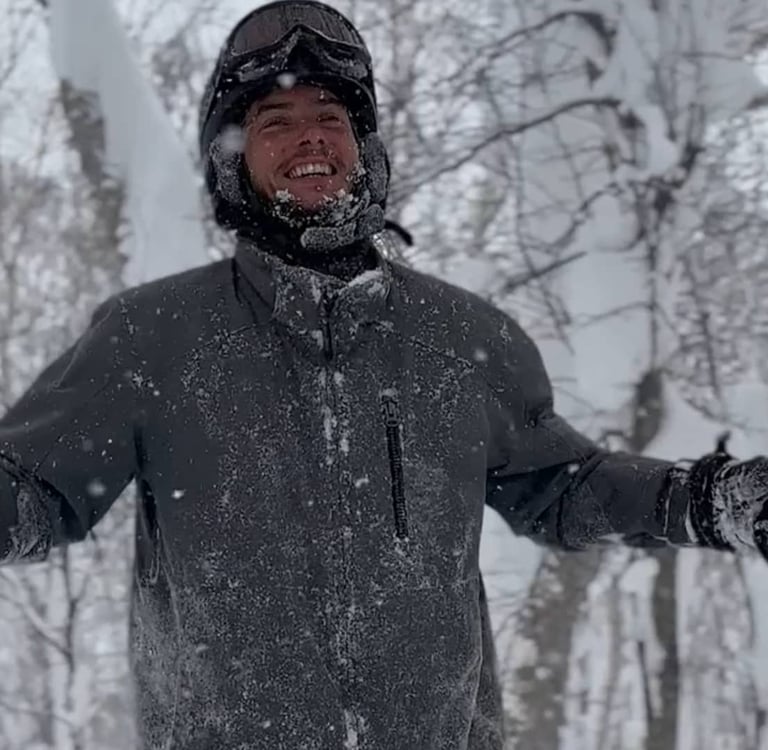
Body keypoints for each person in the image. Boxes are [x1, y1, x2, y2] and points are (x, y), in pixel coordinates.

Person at [1, 2, 767, 748]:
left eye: (331, 117)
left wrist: (708, 501)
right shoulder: (157, 337)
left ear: (364, 147)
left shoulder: (460, 337)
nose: (311, 138)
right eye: (276, 122)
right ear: (233, 160)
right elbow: (32, 490)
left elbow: (564, 487)